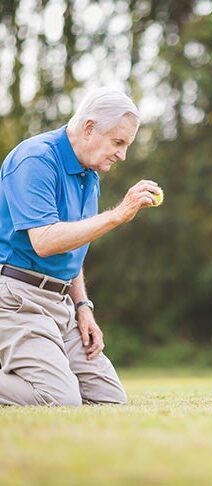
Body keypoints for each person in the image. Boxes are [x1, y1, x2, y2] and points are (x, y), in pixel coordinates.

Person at [0, 87, 161, 405]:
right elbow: (45, 242)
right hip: (17, 300)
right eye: (118, 142)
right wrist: (117, 215)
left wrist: (82, 308)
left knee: (109, 399)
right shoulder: (36, 159)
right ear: (89, 128)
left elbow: (73, 246)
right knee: (59, 399)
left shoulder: (90, 174)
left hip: (60, 306)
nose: (122, 155)